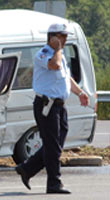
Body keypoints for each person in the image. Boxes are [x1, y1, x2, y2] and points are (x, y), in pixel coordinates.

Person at [15, 23, 89, 194]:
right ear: (52, 37)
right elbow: (54, 66)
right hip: (46, 106)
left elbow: (66, 78)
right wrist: (57, 49)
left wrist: (80, 93)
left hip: (58, 106)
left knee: (55, 144)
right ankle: (54, 183)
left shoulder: (60, 55)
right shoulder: (44, 54)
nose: (65, 40)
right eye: (62, 36)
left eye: (65, 36)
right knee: (53, 145)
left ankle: (27, 168)